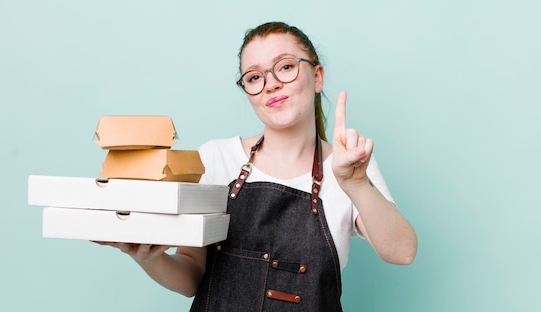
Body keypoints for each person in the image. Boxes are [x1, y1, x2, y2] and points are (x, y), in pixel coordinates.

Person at [98, 21, 417, 311]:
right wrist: (147, 259)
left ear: (317, 77)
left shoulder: (350, 167)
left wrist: (357, 184)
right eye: (254, 77)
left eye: (286, 67)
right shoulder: (215, 159)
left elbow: (402, 252)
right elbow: (193, 277)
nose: (271, 84)